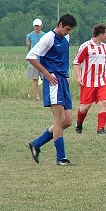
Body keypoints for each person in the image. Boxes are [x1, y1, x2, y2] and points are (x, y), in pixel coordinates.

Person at [26, 14, 77, 166]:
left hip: (63, 81)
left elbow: (63, 58)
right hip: (53, 81)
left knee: (67, 121)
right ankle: (61, 158)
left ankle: (37, 143)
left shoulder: (65, 38)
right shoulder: (49, 37)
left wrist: (66, 75)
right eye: (67, 29)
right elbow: (31, 56)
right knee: (59, 120)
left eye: (70, 30)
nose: (68, 32)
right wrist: (46, 74)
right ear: (60, 24)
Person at [73, 23, 106, 135]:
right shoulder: (86, 46)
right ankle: (79, 123)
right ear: (100, 34)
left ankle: (100, 129)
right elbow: (76, 62)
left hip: (102, 81)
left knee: (103, 103)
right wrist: (78, 77)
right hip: (88, 82)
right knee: (85, 107)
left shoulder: (104, 47)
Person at [26, 18, 46, 101]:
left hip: (43, 59)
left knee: (45, 78)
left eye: (38, 26)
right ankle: (37, 97)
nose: (36, 27)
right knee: (35, 79)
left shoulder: (45, 35)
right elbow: (28, 46)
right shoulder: (29, 36)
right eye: (35, 26)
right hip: (34, 59)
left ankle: (46, 95)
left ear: (41, 26)